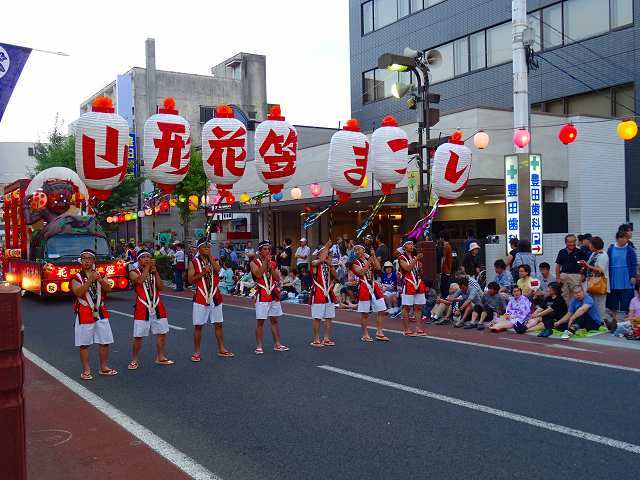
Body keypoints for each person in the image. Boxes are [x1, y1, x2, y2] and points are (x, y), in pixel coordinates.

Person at [71, 249, 117, 380]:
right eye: (84, 258)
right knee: (84, 343)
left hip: (101, 312)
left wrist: (100, 280)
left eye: (89, 258)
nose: (87, 261)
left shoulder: (101, 274)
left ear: (93, 260)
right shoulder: (76, 277)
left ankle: (104, 367)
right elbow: (78, 292)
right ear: (81, 261)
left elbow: (109, 289)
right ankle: (86, 370)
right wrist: (90, 280)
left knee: (105, 340)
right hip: (84, 313)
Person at [188, 238, 234, 362]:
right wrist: (203, 272)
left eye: (208, 247)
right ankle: (196, 352)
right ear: (199, 249)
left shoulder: (214, 260)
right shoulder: (194, 262)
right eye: (204, 247)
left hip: (215, 295)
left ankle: (222, 349)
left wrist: (210, 258)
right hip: (201, 296)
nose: (207, 249)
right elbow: (190, 280)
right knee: (198, 325)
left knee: (218, 323)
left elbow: (219, 271)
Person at [127, 250, 173, 370]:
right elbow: (139, 280)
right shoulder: (133, 271)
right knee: (138, 335)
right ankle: (134, 359)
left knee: (162, 332)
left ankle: (160, 356)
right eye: (144, 257)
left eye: (149, 257)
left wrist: (156, 272)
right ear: (139, 260)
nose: (147, 259)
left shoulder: (153, 271)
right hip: (142, 306)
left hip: (157, 305)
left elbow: (161, 287)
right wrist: (148, 268)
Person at [250, 240, 289, 354]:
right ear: (260, 251)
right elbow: (258, 274)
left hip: (272, 293)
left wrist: (271, 267)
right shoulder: (254, 262)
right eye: (265, 249)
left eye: (269, 249)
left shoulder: (273, 262)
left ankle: (277, 344)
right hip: (261, 293)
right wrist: (265, 263)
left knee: (274, 320)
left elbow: (277, 278)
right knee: (260, 321)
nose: (267, 251)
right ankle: (259, 346)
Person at [352, 244, 389, 342]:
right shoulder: (355, 262)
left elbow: (378, 267)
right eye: (355, 250)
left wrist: (373, 256)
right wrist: (368, 261)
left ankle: (379, 332)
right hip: (364, 286)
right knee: (365, 313)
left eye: (358, 249)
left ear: (363, 250)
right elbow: (361, 272)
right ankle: (365, 334)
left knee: (382, 309)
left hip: (373, 285)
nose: (357, 251)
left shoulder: (369, 258)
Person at [309, 241, 338, 347]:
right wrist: (326, 246)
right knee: (317, 317)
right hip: (318, 293)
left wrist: (331, 266)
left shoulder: (328, 264)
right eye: (325, 253)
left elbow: (336, 276)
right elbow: (320, 260)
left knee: (329, 317)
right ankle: (316, 339)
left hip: (328, 293)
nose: (327, 255)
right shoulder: (314, 262)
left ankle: (326, 338)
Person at [606, 230, 638, 327]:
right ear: (617, 238)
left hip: (626, 277)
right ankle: (614, 320)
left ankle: (628, 320)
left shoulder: (630, 250)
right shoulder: (611, 249)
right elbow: (607, 263)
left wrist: (633, 276)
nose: (623, 240)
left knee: (627, 299)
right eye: (621, 237)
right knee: (613, 299)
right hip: (614, 277)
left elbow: (634, 264)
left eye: (625, 238)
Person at [398, 240, 427, 336]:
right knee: (406, 307)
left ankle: (418, 328)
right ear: (404, 247)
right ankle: (407, 329)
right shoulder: (401, 257)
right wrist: (416, 259)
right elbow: (407, 268)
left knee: (418, 306)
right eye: (409, 244)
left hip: (418, 283)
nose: (411, 246)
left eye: (412, 244)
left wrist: (420, 267)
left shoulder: (415, 257)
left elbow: (420, 272)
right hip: (408, 283)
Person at [578, 236, 609, 325]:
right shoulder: (593, 254)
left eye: (590, 244)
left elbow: (600, 269)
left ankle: (601, 322)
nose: (589, 246)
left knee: (599, 304)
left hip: (599, 283)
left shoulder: (603, 255)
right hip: (591, 282)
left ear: (595, 245)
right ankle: (594, 321)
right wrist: (584, 266)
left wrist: (587, 266)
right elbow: (589, 265)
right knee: (592, 303)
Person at [555, 234, 588, 304]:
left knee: (576, 295)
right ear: (566, 242)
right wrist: (558, 277)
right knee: (564, 295)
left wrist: (583, 274)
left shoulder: (580, 252)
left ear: (576, 241)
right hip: (563, 276)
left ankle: (575, 313)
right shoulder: (562, 252)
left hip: (575, 276)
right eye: (569, 242)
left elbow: (585, 265)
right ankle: (566, 313)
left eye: (573, 242)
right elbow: (558, 265)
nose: (572, 244)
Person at [440, 230, 454, 296]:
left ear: (442, 238)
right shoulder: (449, 245)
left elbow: (444, 258)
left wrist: (440, 268)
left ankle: (445, 300)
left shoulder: (446, 246)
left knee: (443, 286)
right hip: (448, 268)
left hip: (445, 269)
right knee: (445, 286)